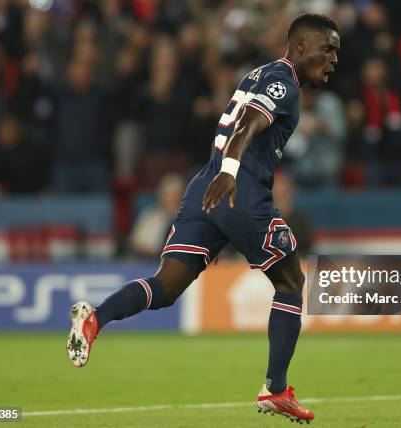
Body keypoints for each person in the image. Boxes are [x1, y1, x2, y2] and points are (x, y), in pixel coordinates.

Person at [66, 13, 339, 423]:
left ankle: (96, 319)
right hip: (238, 188)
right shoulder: (284, 82)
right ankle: (276, 389)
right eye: (328, 48)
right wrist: (231, 172)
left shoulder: (259, 74)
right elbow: (250, 123)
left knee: (166, 285)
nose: (334, 58)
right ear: (300, 47)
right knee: (291, 282)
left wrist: (222, 171)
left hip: (204, 188)